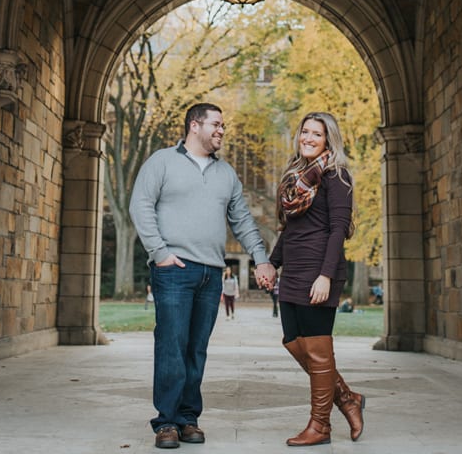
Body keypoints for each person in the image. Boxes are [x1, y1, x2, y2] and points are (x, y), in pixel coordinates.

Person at [130, 102, 277, 450]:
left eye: (223, 126)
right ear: (194, 126)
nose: (221, 131)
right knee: (171, 346)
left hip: (211, 273)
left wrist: (261, 259)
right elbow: (141, 205)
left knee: (196, 349)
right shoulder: (162, 161)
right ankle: (165, 422)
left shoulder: (226, 173)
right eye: (216, 124)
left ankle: (187, 418)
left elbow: (242, 220)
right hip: (174, 271)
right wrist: (160, 253)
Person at [269, 111, 366, 446]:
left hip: (319, 270)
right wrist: (272, 263)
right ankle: (348, 399)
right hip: (293, 270)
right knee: (294, 343)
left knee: (319, 351)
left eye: (317, 134)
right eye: (305, 132)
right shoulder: (294, 176)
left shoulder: (336, 176)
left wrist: (325, 276)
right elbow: (289, 229)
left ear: (329, 140)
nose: (308, 138)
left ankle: (320, 426)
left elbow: (338, 229)